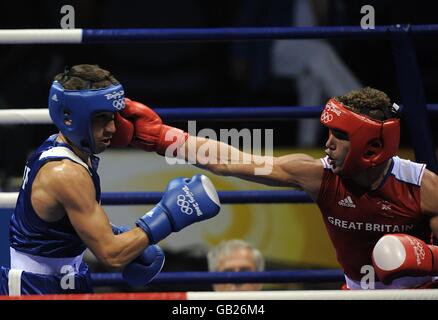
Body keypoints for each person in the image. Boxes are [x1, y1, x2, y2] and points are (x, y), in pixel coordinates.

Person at [113, 86, 438, 289]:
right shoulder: (316, 175)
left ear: (371, 146)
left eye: (340, 136)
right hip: (355, 292)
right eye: (328, 133)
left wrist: (429, 259)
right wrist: (162, 138)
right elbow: (230, 160)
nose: (327, 145)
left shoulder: (424, 188)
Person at [0, 64, 221, 295]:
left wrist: (120, 234)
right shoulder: (65, 172)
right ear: (69, 118)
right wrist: (167, 215)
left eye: (113, 117)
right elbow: (112, 255)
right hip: (35, 289)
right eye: (101, 119)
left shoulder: (64, 149)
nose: (113, 128)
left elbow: (59, 225)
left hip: (66, 279)